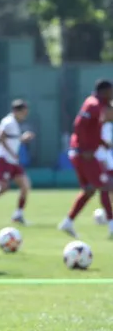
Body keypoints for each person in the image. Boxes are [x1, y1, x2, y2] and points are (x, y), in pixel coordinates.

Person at [58, 80, 113, 237]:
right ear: (105, 91)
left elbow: (92, 130)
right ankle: (112, 226)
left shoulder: (97, 104)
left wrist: (103, 143)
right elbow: (79, 125)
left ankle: (67, 223)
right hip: (83, 154)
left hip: (82, 152)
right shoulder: (94, 104)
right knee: (106, 186)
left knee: (89, 190)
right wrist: (84, 148)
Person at [92, 120, 113, 232]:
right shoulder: (101, 123)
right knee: (105, 188)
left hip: (108, 161)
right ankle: (110, 220)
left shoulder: (108, 124)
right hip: (101, 160)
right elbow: (104, 144)